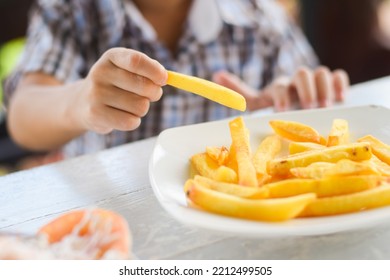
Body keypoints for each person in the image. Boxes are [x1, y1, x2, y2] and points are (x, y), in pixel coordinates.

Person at [3, 0, 349, 159]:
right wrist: (79, 102)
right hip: (109, 213)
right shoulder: (72, 10)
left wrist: (291, 99)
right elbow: (23, 115)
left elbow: (304, 104)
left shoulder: (262, 21)